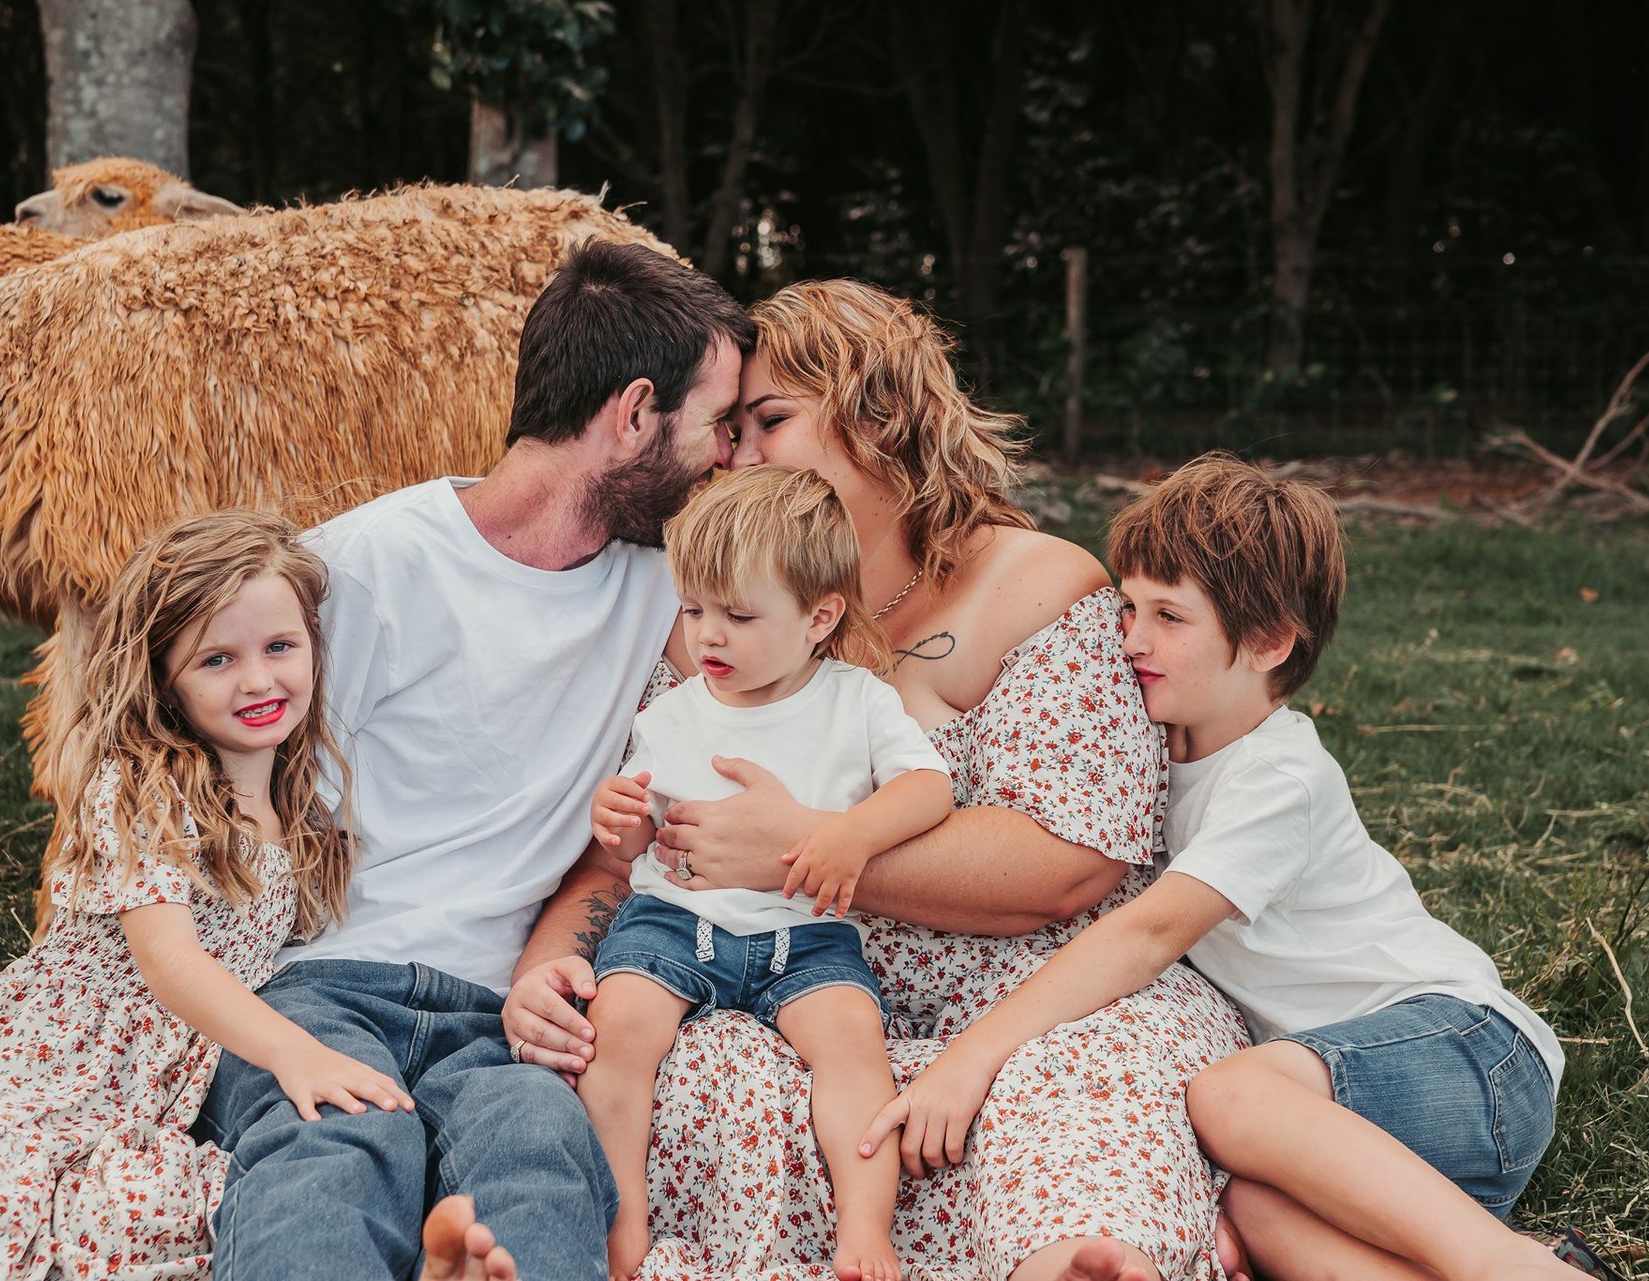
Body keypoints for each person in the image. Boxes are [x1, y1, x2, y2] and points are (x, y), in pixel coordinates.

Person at [506, 279, 1254, 1281]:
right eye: (729, 430)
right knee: (694, 1079)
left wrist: (799, 852)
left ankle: (1071, 1262)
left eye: (770, 420)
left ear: (881, 415)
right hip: (773, 992)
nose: (738, 456)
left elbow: (1067, 864)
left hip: (1032, 996)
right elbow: (627, 853)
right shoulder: (715, 620)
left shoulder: (1033, 587)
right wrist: (546, 969)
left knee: (1074, 1088)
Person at [856, 454, 1579, 1281]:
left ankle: (1513, 1269)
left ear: (1269, 640)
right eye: (1128, 607)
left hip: (1468, 1053)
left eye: (1169, 616)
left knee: (1230, 1098)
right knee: (1250, 1209)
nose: (1129, 639)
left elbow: (1148, 931)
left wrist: (972, 1056)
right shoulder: (1153, 756)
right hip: (1354, 1122)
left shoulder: (1279, 776)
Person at [189, 239, 758, 1281]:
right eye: (718, 425)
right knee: (336, 1147)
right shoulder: (357, 569)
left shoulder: (666, 594)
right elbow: (195, 790)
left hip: (497, 1016)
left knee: (541, 1157)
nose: (730, 456)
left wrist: (548, 966)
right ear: (633, 415)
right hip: (317, 983)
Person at [0, 509, 388, 1280]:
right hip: (68, 1051)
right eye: (217, 660)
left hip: (157, 1076)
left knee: (169, 1207)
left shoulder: (302, 805)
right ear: (162, 674)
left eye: (279, 647)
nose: (259, 679)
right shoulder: (150, 789)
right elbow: (167, 958)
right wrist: (293, 1052)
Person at [583, 465, 953, 1281]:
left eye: (738, 615)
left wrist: (852, 835)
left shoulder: (855, 700)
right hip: (675, 922)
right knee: (621, 1029)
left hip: (807, 933)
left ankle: (865, 1229)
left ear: (820, 616)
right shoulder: (671, 711)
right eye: (692, 610)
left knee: (855, 1048)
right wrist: (618, 822)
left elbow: (929, 787)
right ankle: (624, 1220)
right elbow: (633, 844)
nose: (708, 636)